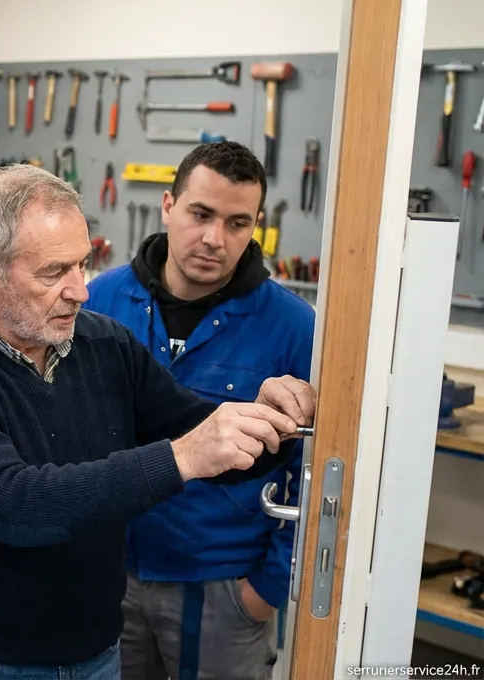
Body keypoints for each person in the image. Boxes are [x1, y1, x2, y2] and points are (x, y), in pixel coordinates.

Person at [0, 165, 316, 680]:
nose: (80, 291)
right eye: (53, 273)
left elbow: (204, 436)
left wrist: (269, 422)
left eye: (81, 265)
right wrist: (184, 457)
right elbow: (16, 505)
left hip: (95, 651)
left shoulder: (103, 344)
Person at [85, 142, 313, 680]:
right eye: (200, 214)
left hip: (223, 591)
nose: (215, 239)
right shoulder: (100, 302)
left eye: (237, 223)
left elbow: (316, 472)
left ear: (256, 224)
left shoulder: (294, 327)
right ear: (168, 206)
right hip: (105, 574)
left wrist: (266, 589)